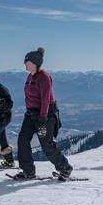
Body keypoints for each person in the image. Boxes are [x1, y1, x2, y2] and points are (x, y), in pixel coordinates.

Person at [13, 47, 73, 181]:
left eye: (26, 61)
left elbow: (46, 99)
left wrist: (43, 118)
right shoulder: (30, 76)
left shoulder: (44, 77)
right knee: (23, 139)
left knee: (47, 145)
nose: (24, 63)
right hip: (30, 115)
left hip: (45, 115)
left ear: (34, 62)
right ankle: (28, 171)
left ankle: (65, 168)